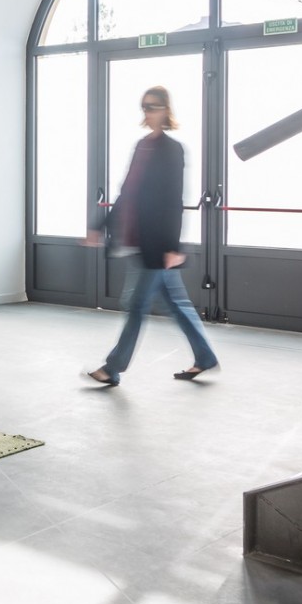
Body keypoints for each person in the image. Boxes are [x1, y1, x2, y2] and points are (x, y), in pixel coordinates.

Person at [83, 86, 218, 387]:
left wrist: (172, 246)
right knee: (177, 304)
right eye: (145, 106)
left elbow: (173, 199)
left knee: (136, 305)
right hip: (139, 240)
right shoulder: (142, 146)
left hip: (157, 245)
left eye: (154, 106)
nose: (149, 111)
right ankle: (205, 356)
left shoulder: (172, 149)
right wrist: (99, 225)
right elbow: (127, 192)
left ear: (166, 109)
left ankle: (113, 368)